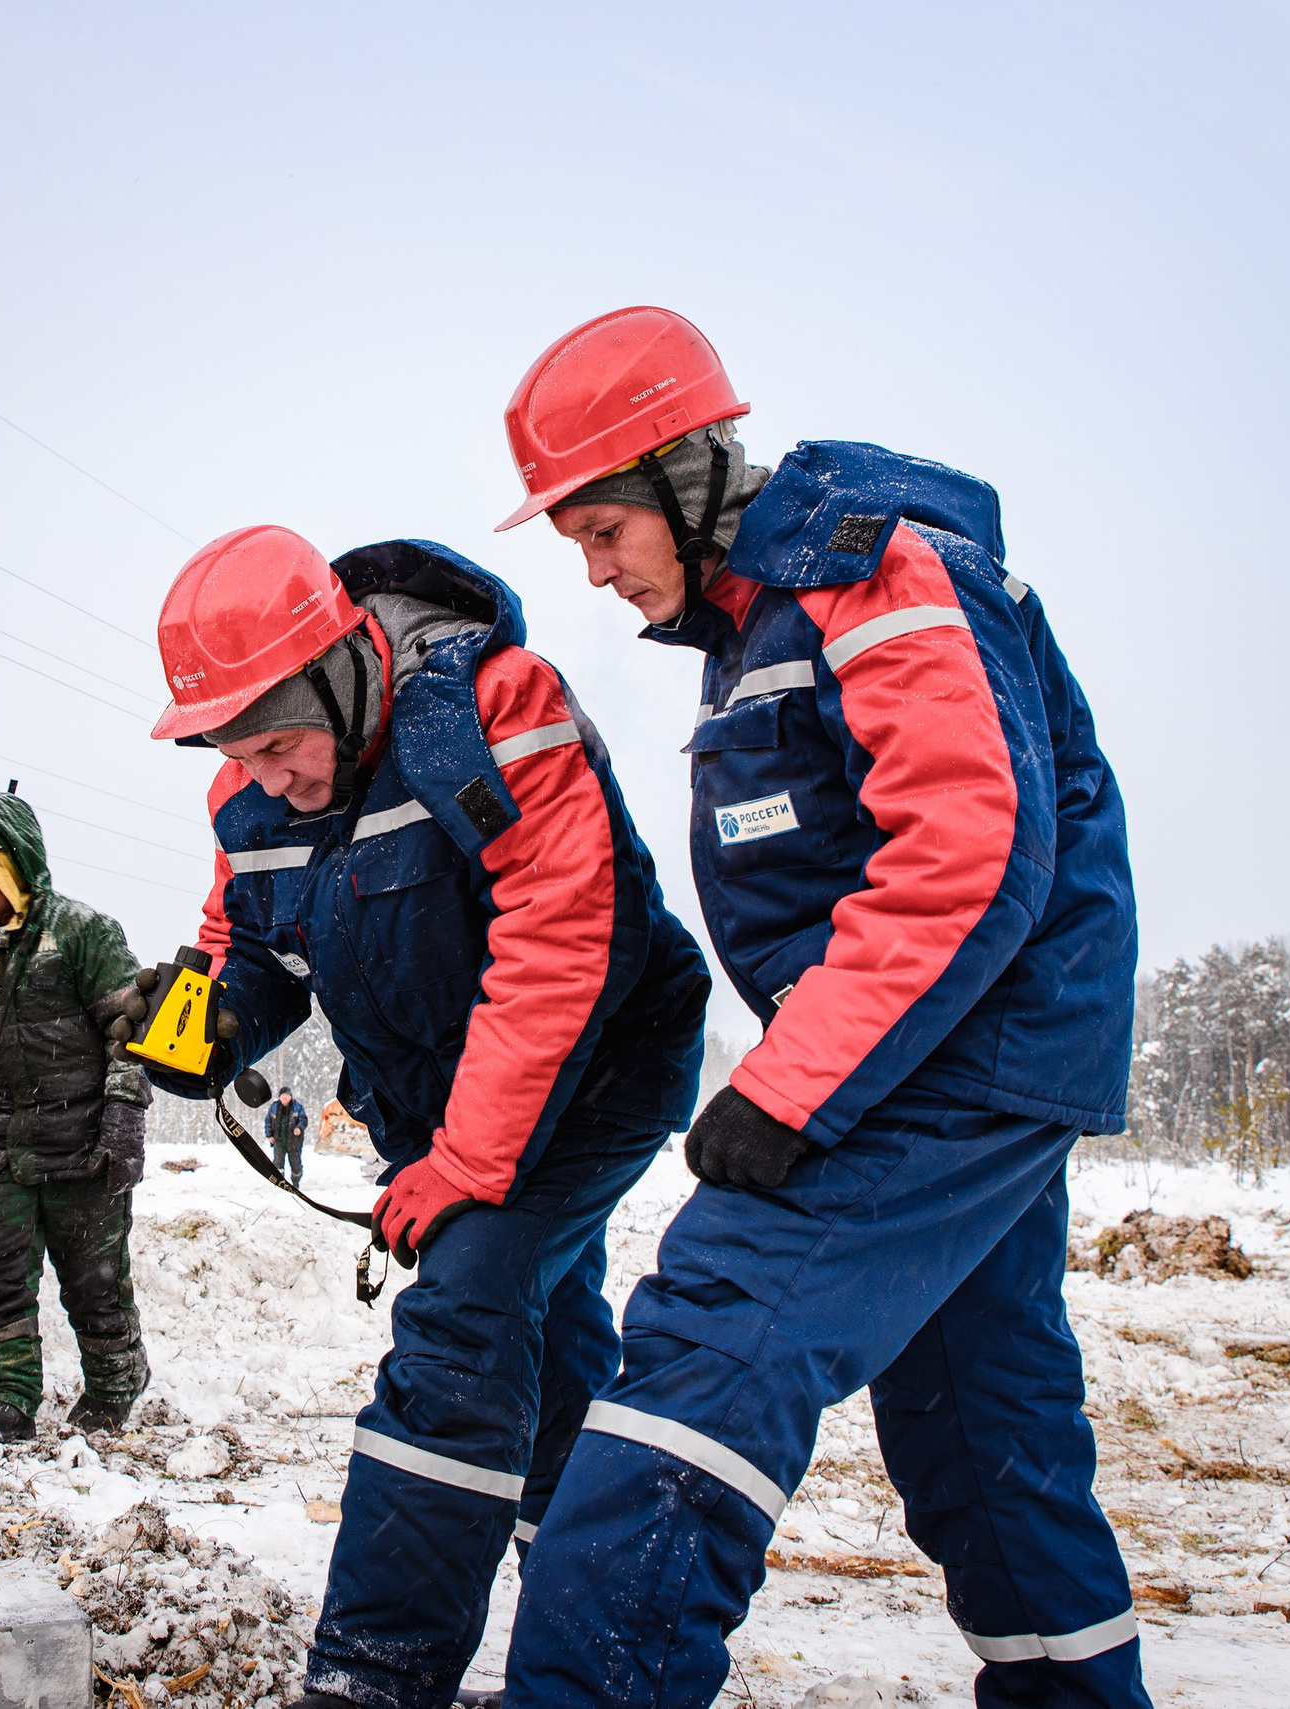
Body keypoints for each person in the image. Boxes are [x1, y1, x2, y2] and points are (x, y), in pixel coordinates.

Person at [490, 306, 1145, 1709]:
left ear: (686, 474)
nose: (598, 573)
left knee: (710, 1349)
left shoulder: (877, 570)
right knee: (979, 1417)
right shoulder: (764, 618)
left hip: (949, 1056)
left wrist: (793, 1085)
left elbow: (971, 846)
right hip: (949, 1052)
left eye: (606, 530)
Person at [123, 525, 710, 1709]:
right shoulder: (251, 796)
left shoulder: (495, 708)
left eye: (280, 746)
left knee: (463, 1317)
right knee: (545, 1319)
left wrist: (463, 1162)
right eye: (242, 756)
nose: (270, 779)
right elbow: (254, 947)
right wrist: (203, 1024)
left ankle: (371, 1677)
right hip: (450, 1095)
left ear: (338, 670)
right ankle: (580, 1583)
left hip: (597, 1063)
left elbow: (561, 941)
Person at [0, 793, 152, 1442]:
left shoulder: (84, 933)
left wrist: (122, 1118)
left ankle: (114, 1386)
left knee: (96, 1286)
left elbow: (127, 1031)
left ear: (19, 863)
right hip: (2, 1151)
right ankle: (6, 1397)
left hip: (82, 1146)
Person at [263, 1086, 308, 1185]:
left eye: (287, 1095)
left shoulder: (297, 1107)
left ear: (290, 1096)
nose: (284, 1097)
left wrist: (299, 1128)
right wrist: (269, 1135)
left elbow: (303, 1120)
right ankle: (280, 1184)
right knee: (278, 1163)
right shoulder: (274, 1107)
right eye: (283, 1095)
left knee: (296, 1164)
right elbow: (268, 1122)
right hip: (278, 1140)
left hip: (294, 1141)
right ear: (279, 1097)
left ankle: (295, 1183)